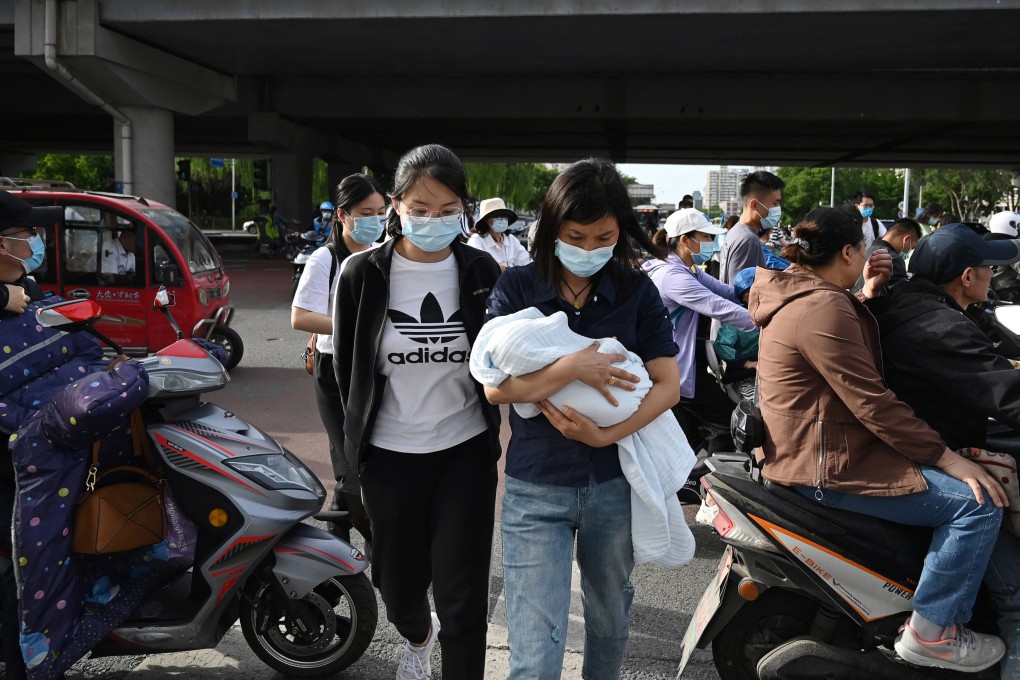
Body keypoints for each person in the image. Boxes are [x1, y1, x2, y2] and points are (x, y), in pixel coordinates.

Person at [749, 205, 1007, 673]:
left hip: (812, 450)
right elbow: (872, 402)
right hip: (827, 464)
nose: (871, 254)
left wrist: (865, 292)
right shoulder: (822, 305)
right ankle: (933, 632)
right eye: (864, 247)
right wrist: (947, 459)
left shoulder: (806, 294)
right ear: (848, 251)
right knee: (977, 503)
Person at [484, 158, 681, 680]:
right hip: (535, 487)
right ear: (551, 229)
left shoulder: (638, 291)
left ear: (621, 230)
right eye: (576, 236)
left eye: (604, 236)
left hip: (613, 485)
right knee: (533, 645)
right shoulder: (517, 288)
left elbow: (669, 387)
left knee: (610, 621)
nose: (590, 248)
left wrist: (605, 435)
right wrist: (572, 366)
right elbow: (494, 387)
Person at [333, 144, 501, 680]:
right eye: (421, 208)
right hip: (388, 455)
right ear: (397, 206)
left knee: (462, 594)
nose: (433, 220)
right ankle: (416, 634)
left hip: (464, 452)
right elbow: (348, 373)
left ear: (464, 209)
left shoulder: (481, 269)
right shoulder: (362, 275)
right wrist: (353, 448)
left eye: (448, 209)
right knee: (396, 584)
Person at [870, 222, 1020, 679]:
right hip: (931, 456)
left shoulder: (919, 304)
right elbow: (1002, 391)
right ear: (967, 276)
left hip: (933, 443)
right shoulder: (938, 327)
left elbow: (996, 355)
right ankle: (932, 632)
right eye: (990, 268)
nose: (995, 276)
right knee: (1016, 596)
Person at [292, 174, 386, 546]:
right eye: (366, 212)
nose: (375, 220)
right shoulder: (325, 258)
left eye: (380, 212)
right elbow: (300, 317)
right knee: (349, 463)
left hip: (374, 369)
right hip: (335, 371)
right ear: (343, 216)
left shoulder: (383, 253)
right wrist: (355, 324)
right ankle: (375, 545)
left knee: (357, 462)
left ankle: (335, 541)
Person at [0, 191, 59, 680]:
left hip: (35, 457)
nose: (37, 243)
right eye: (27, 235)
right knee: (16, 573)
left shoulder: (34, 292)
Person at [642, 208, 755, 454]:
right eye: (706, 237)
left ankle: (692, 477)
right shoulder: (673, 276)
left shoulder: (687, 269)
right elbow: (718, 307)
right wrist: (765, 322)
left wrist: (753, 295)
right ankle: (713, 483)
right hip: (672, 368)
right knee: (725, 422)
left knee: (692, 431)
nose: (712, 243)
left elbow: (726, 293)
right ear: (685, 240)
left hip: (683, 360)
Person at [719, 170, 785, 285]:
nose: (778, 208)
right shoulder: (748, 240)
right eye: (775, 203)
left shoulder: (736, 232)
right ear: (754, 205)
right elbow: (743, 294)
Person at [851, 217, 921, 292]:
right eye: (913, 247)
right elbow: (898, 296)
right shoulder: (892, 259)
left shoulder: (866, 252)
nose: (910, 250)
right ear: (906, 239)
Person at [466, 197, 531, 270]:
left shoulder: (512, 240)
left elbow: (528, 263)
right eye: (498, 216)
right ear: (486, 220)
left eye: (505, 217)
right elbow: (478, 268)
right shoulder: (476, 241)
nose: (503, 220)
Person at [984, 211, 1020, 302]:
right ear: (1011, 227)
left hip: (987, 291)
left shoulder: (984, 242)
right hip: (1008, 293)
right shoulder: (1012, 246)